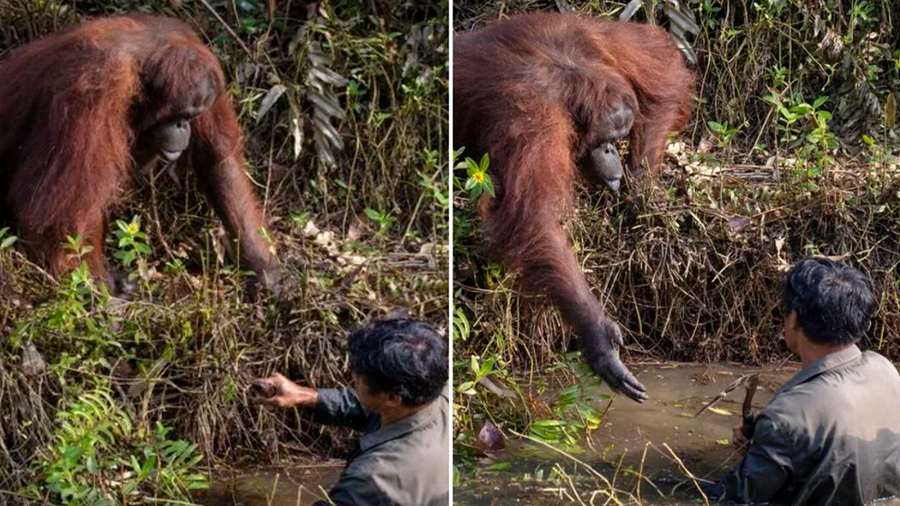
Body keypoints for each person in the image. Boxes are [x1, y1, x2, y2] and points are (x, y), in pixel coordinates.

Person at [710, 257, 900, 505]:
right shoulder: (884, 368)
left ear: (794, 319)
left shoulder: (787, 417)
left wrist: (768, 438)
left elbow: (734, 498)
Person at [252, 318, 449, 506]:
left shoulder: (374, 478)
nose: (353, 376)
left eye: (360, 375)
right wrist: (304, 395)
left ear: (392, 398)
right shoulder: (438, 393)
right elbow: (372, 406)